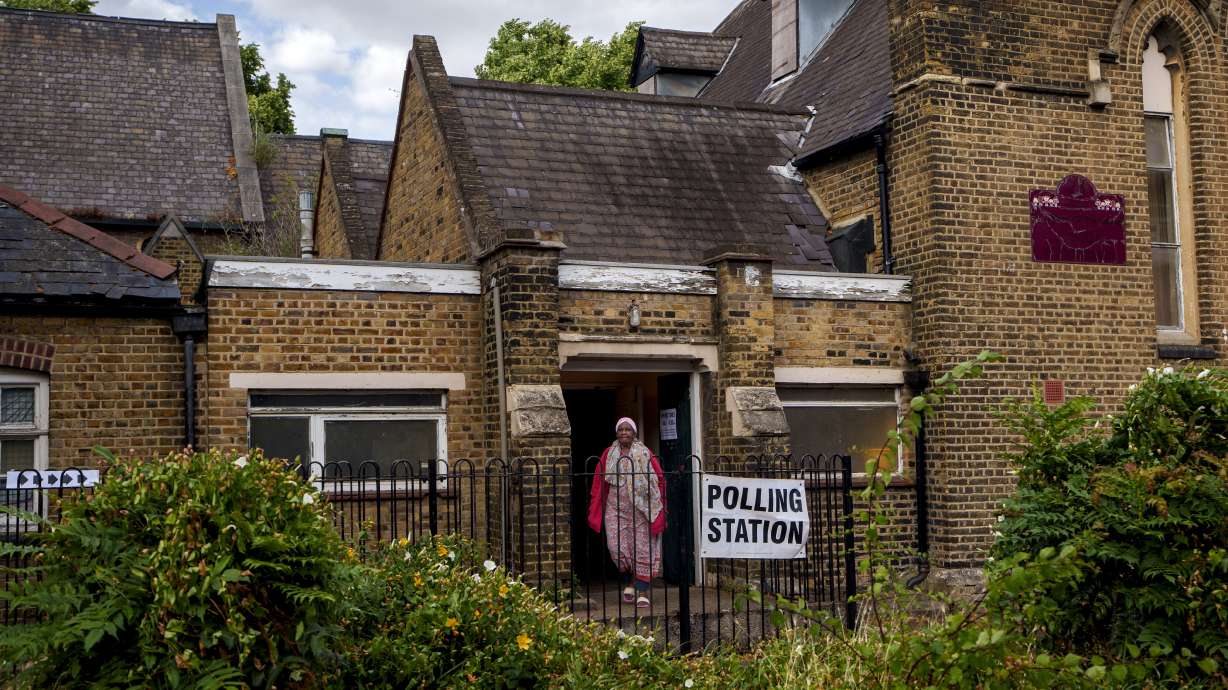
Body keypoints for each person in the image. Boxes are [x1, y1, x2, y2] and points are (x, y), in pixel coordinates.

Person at [587, 417, 666, 608]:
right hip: (616, 509)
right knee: (618, 547)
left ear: (634, 433)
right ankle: (631, 581)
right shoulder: (609, 454)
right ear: (616, 433)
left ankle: (642, 591)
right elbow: (599, 481)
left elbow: (660, 479)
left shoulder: (645, 453)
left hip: (642, 510)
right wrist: (596, 505)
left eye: (628, 429)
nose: (624, 432)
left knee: (642, 547)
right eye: (621, 429)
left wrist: (660, 505)